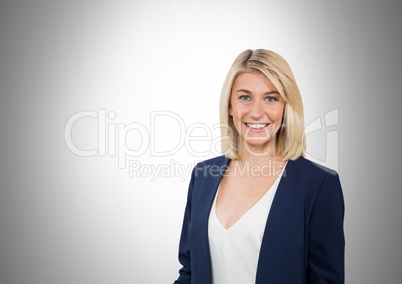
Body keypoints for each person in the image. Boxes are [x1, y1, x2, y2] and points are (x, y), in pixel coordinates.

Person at [173, 49, 345, 284]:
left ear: (286, 108)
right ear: (230, 106)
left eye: (271, 98)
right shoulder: (203, 176)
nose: (256, 112)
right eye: (245, 97)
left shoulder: (318, 185)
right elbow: (189, 272)